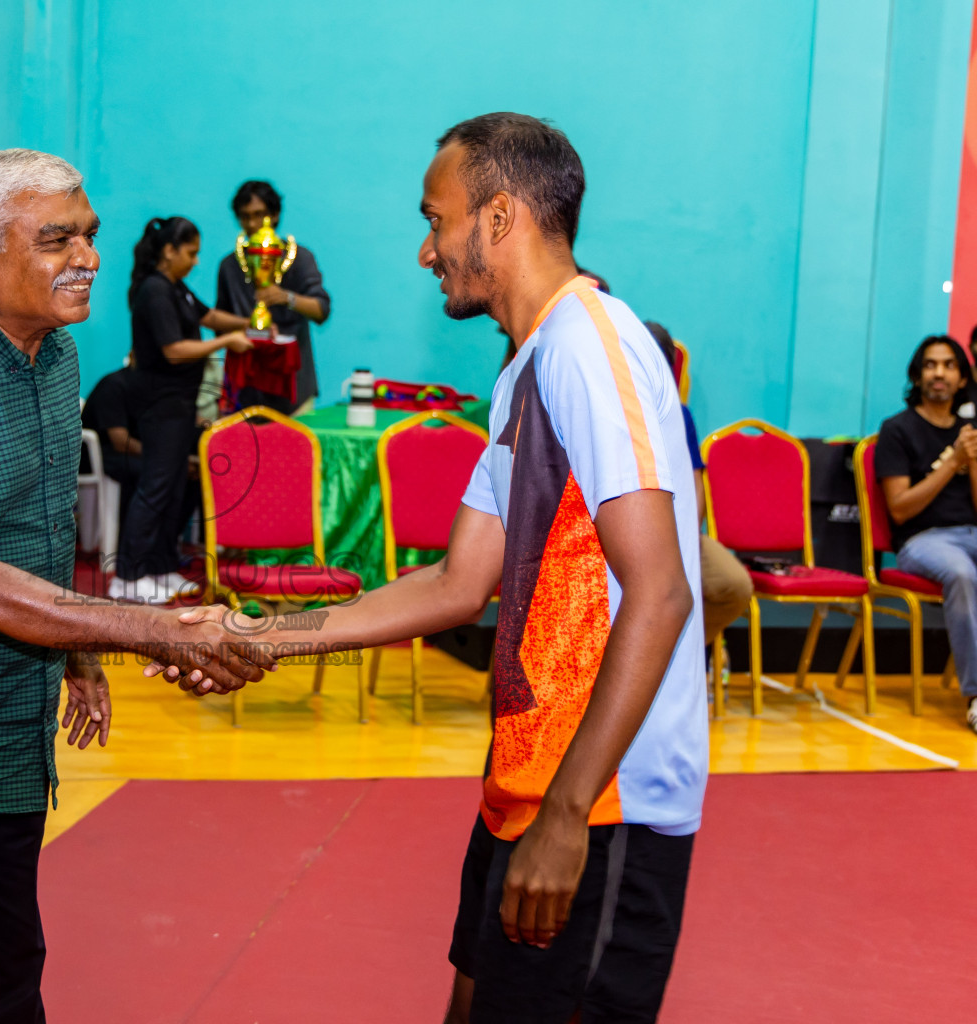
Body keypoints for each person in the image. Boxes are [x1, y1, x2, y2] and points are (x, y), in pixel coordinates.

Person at [175, 112, 705, 1022]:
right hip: (530, 779)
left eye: (436, 219)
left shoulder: (593, 344)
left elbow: (660, 591)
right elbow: (453, 584)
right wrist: (259, 633)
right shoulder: (526, 369)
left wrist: (571, 815)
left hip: (602, 801)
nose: (428, 252)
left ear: (498, 219)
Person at [0, 151, 272, 1023]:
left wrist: (83, 655)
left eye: (90, 235)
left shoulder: (56, 355)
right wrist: (161, 630)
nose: (88, 257)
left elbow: (39, 530)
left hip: (8, 728)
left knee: (4, 975)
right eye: (56, 238)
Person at [110, 216, 252, 605]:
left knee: (173, 487)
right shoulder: (154, 291)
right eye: (191, 253)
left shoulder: (176, 289)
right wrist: (227, 341)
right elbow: (174, 350)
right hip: (160, 404)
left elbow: (208, 316)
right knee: (155, 488)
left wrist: (252, 324)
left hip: (179, 405)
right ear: (169, 251)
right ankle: (127, 574)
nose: (196, 261)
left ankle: (158, 567)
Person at [875, 333, 977, 733]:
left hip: (971, 532)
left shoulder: (970, 430)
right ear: (917, 376)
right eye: (931, 365)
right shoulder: (897, 430)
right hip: (923, 540)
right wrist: (951, 463)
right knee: (962, 575)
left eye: (950, 365)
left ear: (962, 377)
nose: (940, 373)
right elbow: (900, 509)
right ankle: (975, 696)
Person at [646, 321, 752, 655]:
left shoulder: (680, 415)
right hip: (625, 534)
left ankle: (674, 656)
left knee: (733, 584)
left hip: (674, 536)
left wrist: (685, 541)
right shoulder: (606, 409)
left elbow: (695, 485)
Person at [214, 180, 331, 414]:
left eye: (259, 215)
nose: (252, 224)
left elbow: (321, 310)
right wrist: (245, 330)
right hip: (245, 389)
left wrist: (287, 297)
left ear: (275, 215)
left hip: (294, 387)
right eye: (245, 217)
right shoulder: (230, 265)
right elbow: (220, 323)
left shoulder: (299, 258)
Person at [82, 359, 147, 513]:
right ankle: (130, 534)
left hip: (130, 452)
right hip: (99, 454)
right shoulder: (114, 385)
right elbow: (120, 442)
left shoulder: (154, 390)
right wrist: (159, 457)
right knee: (150, 472)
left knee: (187, 473)